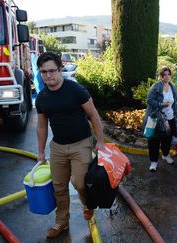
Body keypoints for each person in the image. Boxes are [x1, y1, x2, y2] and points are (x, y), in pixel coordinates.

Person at [35, 52, 105, 239]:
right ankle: (61, 223)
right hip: (57, 146)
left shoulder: (76, 90)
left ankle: (87, 204)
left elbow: (94, 115)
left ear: (60, 69)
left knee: (80, 181)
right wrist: (41, 152)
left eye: (52, 71)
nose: (48, 76)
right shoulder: (41, 98)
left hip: (81, 143)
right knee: (59, 187)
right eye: (44, 72)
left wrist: (100, 141)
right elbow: (41, 126)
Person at [143, 66, 177, 172]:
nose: (167, 76)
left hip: (170, 118)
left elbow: (174, 103)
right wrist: (160, 104)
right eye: (164, 75)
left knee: (167, 139)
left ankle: (166, 155)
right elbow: (149, 100)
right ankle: (153, 162)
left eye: (168, 74)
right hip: (158, 118)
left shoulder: (173, 87)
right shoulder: (156, 87)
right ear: (161, 76)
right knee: (154, 140)